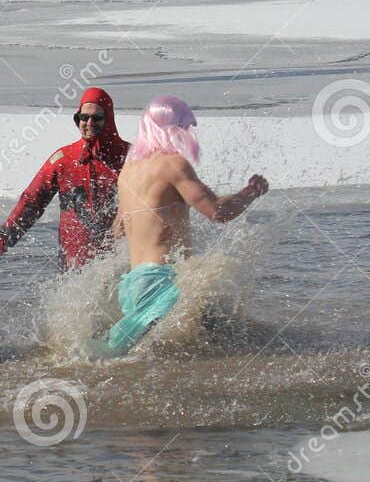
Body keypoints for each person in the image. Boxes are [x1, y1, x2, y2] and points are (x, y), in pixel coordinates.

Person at [98, 95, 268, 356]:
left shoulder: (129, 170)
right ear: (174, 128)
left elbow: (118, 230)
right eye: (185, 127)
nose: (187, 134)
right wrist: (250, 192)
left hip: (133, 283)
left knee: (139, 360)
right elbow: (218, 212)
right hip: (161, 282)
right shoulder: (173, 165)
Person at [0, 86, 128, 273]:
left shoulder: (130, 158)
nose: (88, 123)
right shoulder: (63, 160)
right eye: (83, 117)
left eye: (97, 118)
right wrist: (3, 238)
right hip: (73, 272)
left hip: (120, 267)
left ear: (109, 120)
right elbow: (32, 202)